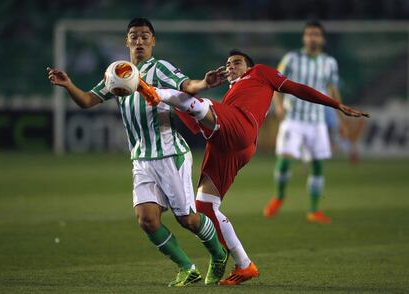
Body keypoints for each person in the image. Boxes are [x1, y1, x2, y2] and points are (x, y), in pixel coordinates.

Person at [139, 49, 368, 285]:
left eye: (236, 62)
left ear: (249, 67)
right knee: (205, 206)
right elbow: (196, 126)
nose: (230, 67)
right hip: (226, 144)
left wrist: (336, 104)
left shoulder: (260, 73)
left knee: (194, 100)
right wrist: (179, 107)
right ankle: (244, 264)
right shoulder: (230, 94)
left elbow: (297, 88)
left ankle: (150, 90)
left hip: (242, 127)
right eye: (227, 64)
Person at [46, 17, 230, 287]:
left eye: (145, 36)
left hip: (170, 155)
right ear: (127, 41)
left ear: (153, 41)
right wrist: (68, 84)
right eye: (134, 36)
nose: (139, 40)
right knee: (147, 219)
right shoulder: (117, 73)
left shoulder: (160, 68)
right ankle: (186, 267)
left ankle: (218, 254)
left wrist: (203, 82)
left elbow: (186, 86)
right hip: (141, 159)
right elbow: (87, 100)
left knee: (188, 220)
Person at [263, 20, 349, 224]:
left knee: (318, 165)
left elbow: (333, 90)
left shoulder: (329, 63)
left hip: (317, 121)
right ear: (304, 37)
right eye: (309, 34)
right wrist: (280, 106)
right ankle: (279, 196)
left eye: (316, 34)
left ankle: (313, 210)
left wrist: (341, 119)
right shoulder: (291, 58)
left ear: (322, 38)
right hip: (294, 118)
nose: (312, 37)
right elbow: (274, 83)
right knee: (284, 160)